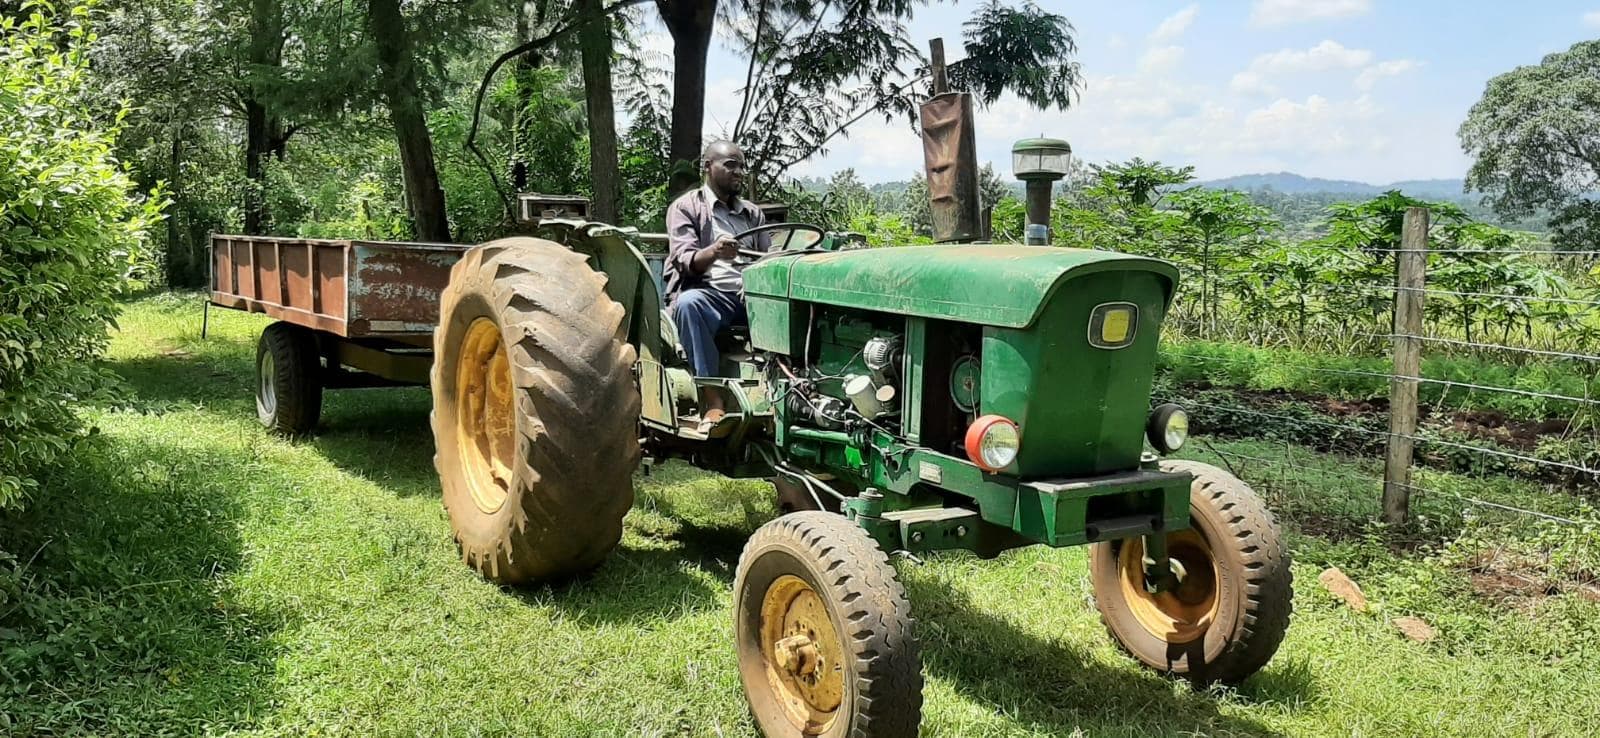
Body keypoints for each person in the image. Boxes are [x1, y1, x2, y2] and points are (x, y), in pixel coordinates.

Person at [664, 140, 768, 424]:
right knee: (689, 304)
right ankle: (712, 398)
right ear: (708, 167)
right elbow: (684, 260)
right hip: (711, 294)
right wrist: (715, 251)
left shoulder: (752, 213)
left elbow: (766, 258)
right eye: (731, 165)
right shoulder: (686, 207)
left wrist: (761, 278)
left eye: (742, 167)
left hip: (752, 295)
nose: (739, 173)